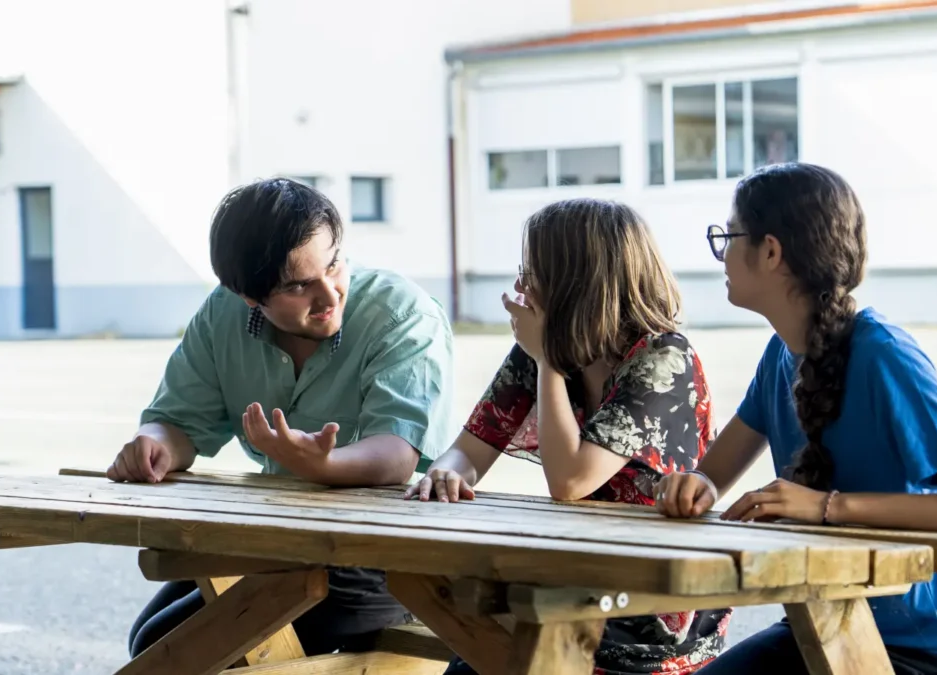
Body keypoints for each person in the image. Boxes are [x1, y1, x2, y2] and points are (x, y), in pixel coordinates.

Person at [654, 162, 937, 674]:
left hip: (932, 649)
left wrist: (829, 507)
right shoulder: (779, 355)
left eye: (729, 236)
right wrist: (692, 484)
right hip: (821, 622)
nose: (721, 253)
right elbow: (711, 476)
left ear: (770, 252)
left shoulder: (884, 355)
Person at [106, 177, 456, 658]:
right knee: (151, 639)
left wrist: (324, 467)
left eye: (334, 264)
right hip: (279, 540)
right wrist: (154, 445)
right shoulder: (223, 314)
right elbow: (179, 422)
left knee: (168, 649)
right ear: (250, 296)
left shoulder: (401, 313)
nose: (330, 294)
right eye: (298, 286)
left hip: (382, 559)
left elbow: (397, 453)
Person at [405, 197, 731, 674]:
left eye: (533, 271)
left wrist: (545, 361)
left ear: (580, 279)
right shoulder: (549, 350)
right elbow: (468, 450)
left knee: (487, 651)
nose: (521, 286)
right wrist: (444, 474)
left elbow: (571, 483)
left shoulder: (663, 358)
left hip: (657, 604)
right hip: (581, 574)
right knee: (472, 649)